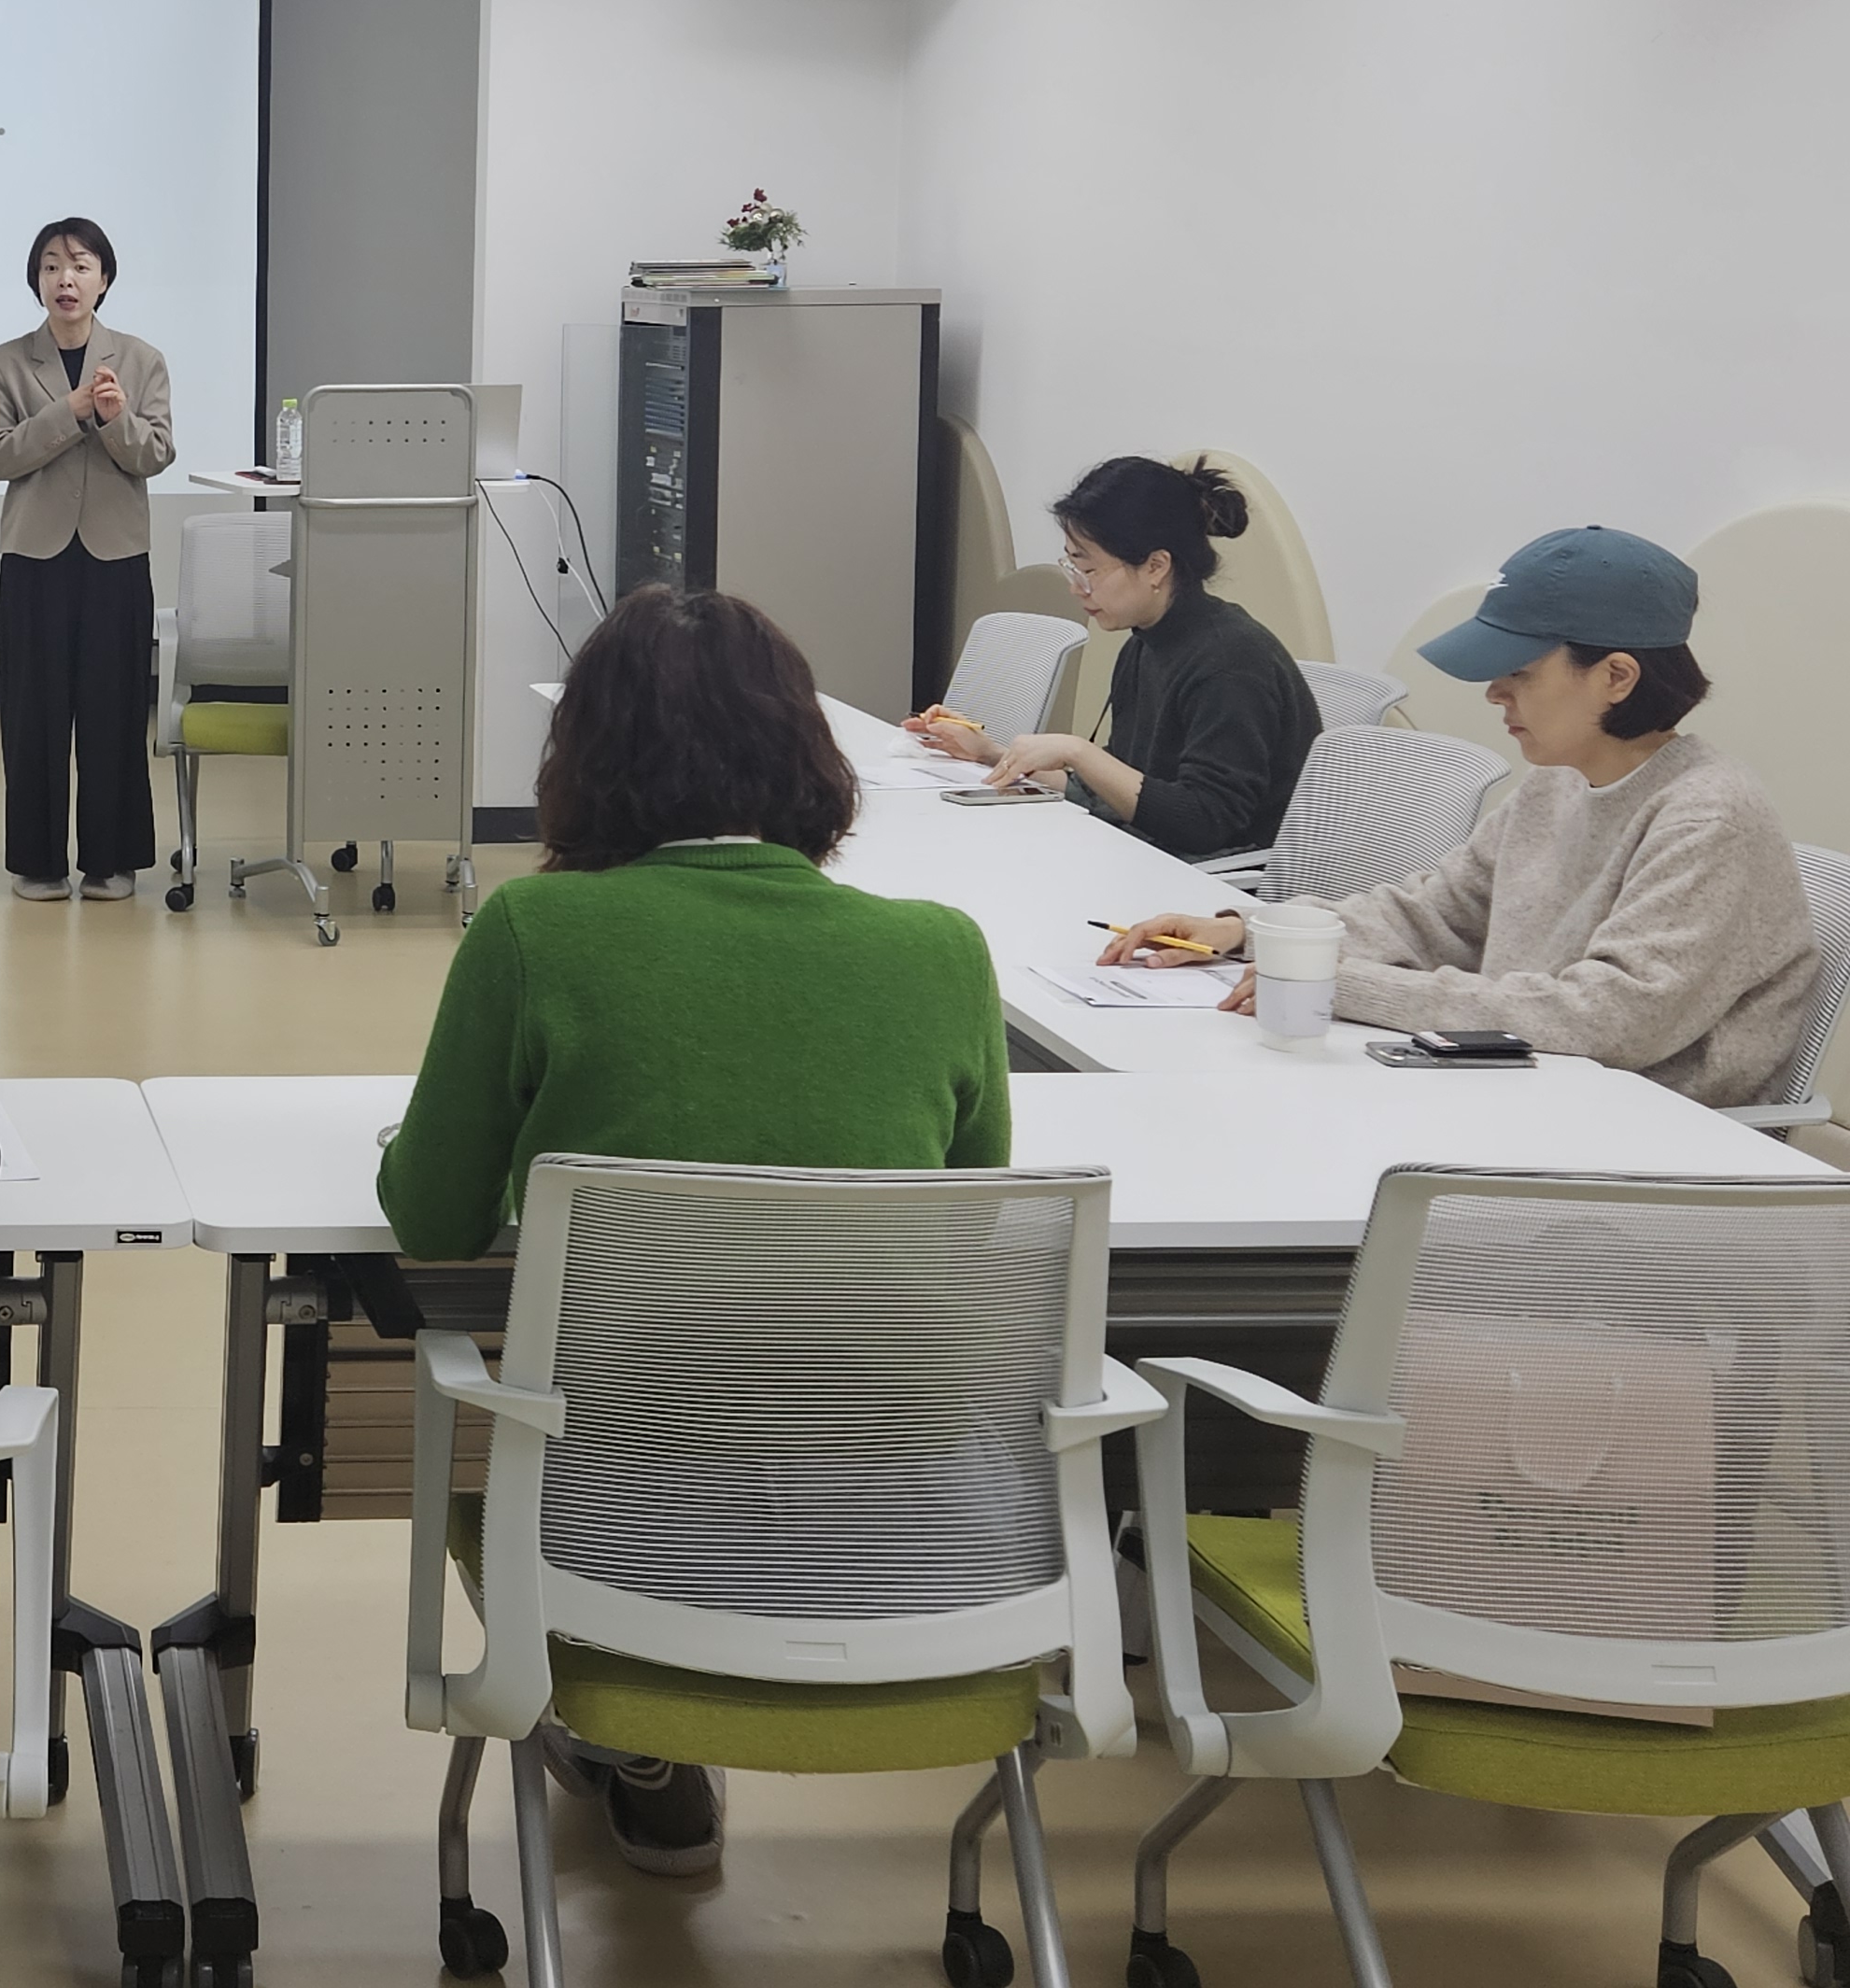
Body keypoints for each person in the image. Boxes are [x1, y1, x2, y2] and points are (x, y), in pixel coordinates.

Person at [380, 582, 1007, 1882]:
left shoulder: (536, 931)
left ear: (583, 760)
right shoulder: (944, 952)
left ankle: (636, 1737)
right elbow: (965, 1235)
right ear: (809, 756)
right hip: (917, 1536)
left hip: (627, 1528)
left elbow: (434, 1219)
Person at [1107, 526, 1817, 1103]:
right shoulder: (1558, 782)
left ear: (1617, 676)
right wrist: (1251, 934)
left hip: (1639, 1146)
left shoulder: (1708, 818)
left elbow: (1610, 1019)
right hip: (1520, 1094)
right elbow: (1434, 915)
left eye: (1520, 673)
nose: (1495, 694)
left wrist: (1347, 984)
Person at [912, 454, 1320, 865]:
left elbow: (1204, 823)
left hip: (1219, 881)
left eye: (1089, 570)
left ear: (1156, 567)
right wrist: (991, 754)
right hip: (1152, 856)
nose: (1077, 588)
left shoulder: (1230, 663)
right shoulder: (1146, 643)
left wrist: (1078, 752)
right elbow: (1119, 792)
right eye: (1072, 566)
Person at [0, 216, 176, 902]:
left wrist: (115, 419)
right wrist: (70, 411)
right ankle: (38, 862)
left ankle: (111, 860)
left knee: (114, 709)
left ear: (104, 280)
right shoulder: (3, 363)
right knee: (34, 713)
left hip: (116, 556)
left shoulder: (141, 359)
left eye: (81, 265)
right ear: (36, 280)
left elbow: (156, 453)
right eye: (52, 266)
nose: (66, 279)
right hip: (35, 556)